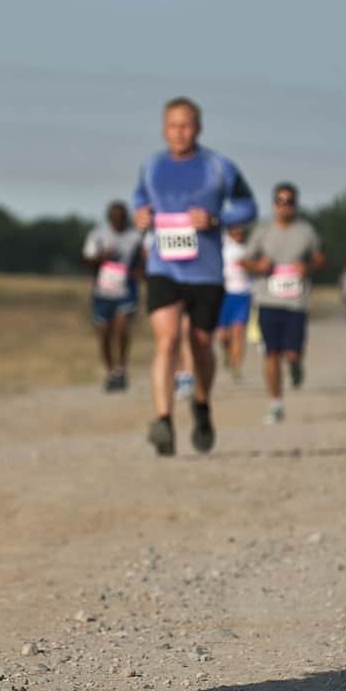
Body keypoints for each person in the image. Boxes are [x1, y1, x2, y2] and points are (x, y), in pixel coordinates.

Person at [132, 97, 257, 455]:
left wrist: (218, 220)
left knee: (201, 345)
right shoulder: (152, 166)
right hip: (163, 267)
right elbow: (139, 202)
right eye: (173, 125)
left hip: (205, 272)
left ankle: (201, 406)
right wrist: (140, 216)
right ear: (163, 128)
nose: (179, 132)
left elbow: (248, 207)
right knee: (167, 340)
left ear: (198, 129)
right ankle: (164, 420)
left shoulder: (219, 167)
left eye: (186, 125)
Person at [243, 183, 324, 424]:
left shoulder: (306, 232)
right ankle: (276, 403)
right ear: (274, 203)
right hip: (268, 299)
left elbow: (320, 259)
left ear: (295, 204)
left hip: (296, 302)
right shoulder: (263, 231)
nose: (285, 205)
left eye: (289, 201)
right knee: (271, 354)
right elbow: (245, 260)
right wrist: (258, 267)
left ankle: (296, 364)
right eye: (280, 200)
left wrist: (307, 267)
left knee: (291, 352)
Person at [82, 201, 143, 391]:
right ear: (109, 219)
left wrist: (139, 272)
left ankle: (121, 368)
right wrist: (101, 258)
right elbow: (87, 260)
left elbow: (144, 260)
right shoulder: (97, 235)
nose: (118, 221)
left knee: (122, 328)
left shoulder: (135, 236)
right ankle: (110, 372)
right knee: (104, 334)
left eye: (122, 218)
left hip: (126, 291)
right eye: (114, 218)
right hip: (102, 292)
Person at [217, 225, 253, 379]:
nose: (239, 233)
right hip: (224, 294)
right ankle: (227, 351)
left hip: (243, 295)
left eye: (241, 230)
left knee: (238, 331)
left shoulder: (249, 249)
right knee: (223, 336)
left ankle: (236, 366)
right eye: (235, 230)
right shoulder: (223, 245)